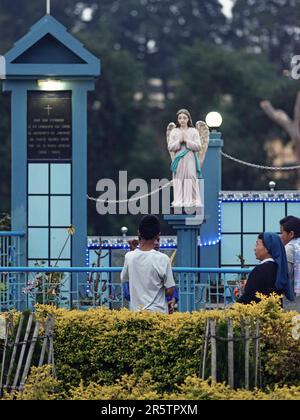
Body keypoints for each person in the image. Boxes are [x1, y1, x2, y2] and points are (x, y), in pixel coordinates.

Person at [121, 215, 175, 313]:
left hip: (136, 314)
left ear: (139, 233)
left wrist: (134, 250)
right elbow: (170, 290)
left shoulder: (129, 257)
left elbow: (125, 278)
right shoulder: (163, 259)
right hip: (158, 314)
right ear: (158, 235)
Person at [237, 232, 293, 305]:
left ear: (267, 248)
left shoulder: (260, 270)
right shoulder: (279, 269)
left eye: (257, 244)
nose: (255, 248)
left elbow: (248, 297)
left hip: (259, 314)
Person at [167, 109, 203, 208]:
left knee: (191, 176)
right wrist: (179, 141)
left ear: (188, 119)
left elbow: (198, 146)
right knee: (179, 177)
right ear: (177, 120)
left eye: (184, 118)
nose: (182, 120)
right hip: (179, 158)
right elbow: (170, 147)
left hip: (189, 157)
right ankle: (179, 200)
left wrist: (187, 141)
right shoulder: (174, 131)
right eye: (180, 118)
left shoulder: (193, 131)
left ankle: (194, 199)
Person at [280, 215, 300, 311]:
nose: (280, 236)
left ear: (291, 234)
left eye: (282, 232)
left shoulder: (289, 249)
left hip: (293, 304)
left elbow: (284, 276)